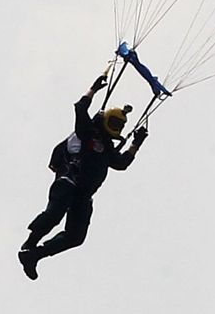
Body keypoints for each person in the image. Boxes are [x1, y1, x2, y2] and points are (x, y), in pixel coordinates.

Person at [18, 72, 148, 280]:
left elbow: (121, 163)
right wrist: (93, 89)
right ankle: (29, 245)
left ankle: (34, 256)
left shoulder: (107, 148)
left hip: (83, 195)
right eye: (114, 123)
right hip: (69, 182)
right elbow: (80, 108)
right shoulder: (87, 130)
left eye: (119, 126)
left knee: (76, 236)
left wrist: (136, 144)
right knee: (54, 215)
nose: (116, 128)